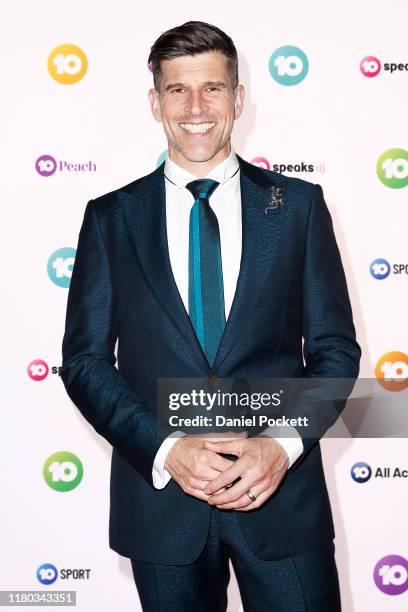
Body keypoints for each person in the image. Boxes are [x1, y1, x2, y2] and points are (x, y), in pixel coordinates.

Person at [60, 20, 361, 612]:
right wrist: (167, 448)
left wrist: (280, 446)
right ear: (155, 102)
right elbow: (85, 362)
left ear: (239, 97)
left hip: (282, 506)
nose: (196, 107)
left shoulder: (298, 208)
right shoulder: (110, 218)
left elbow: (335, 352)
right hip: (164, 512)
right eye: (178, 90)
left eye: (213, 88)